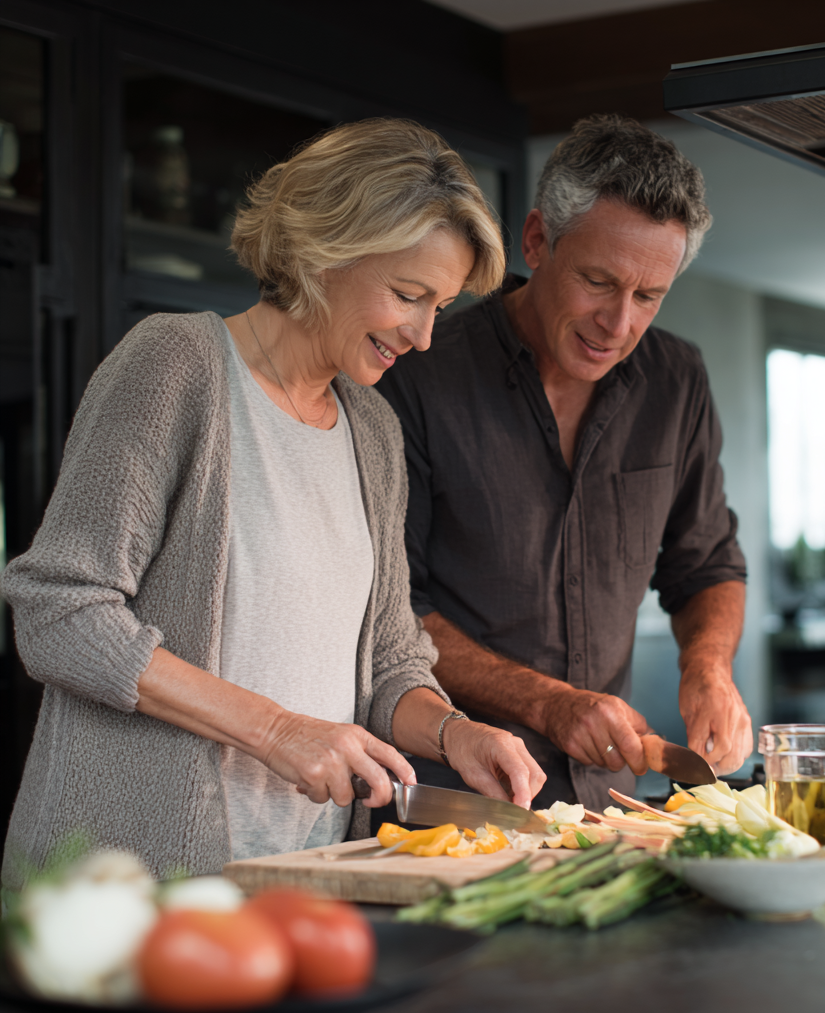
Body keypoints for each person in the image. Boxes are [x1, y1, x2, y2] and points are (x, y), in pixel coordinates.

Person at [1, 118, 545, 887]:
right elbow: (60, 613)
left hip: (304, 876)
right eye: (408, 295)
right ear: (325, 251)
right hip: (132, 880)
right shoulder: (176, 365)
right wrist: (277, 731)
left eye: (441, 308)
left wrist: (453, 732)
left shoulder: (373, 431)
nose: (423, 336)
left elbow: (389, 661)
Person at [377, 114, 752, 812]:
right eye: (599, 282)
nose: (620, 324)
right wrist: (549, 705)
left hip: (611, 807)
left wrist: (708, 667)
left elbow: (706, 564)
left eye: (648, 296)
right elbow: (392, 611)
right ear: (537, 240)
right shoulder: (420, 374)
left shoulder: (677, 381)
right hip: (451, 803)